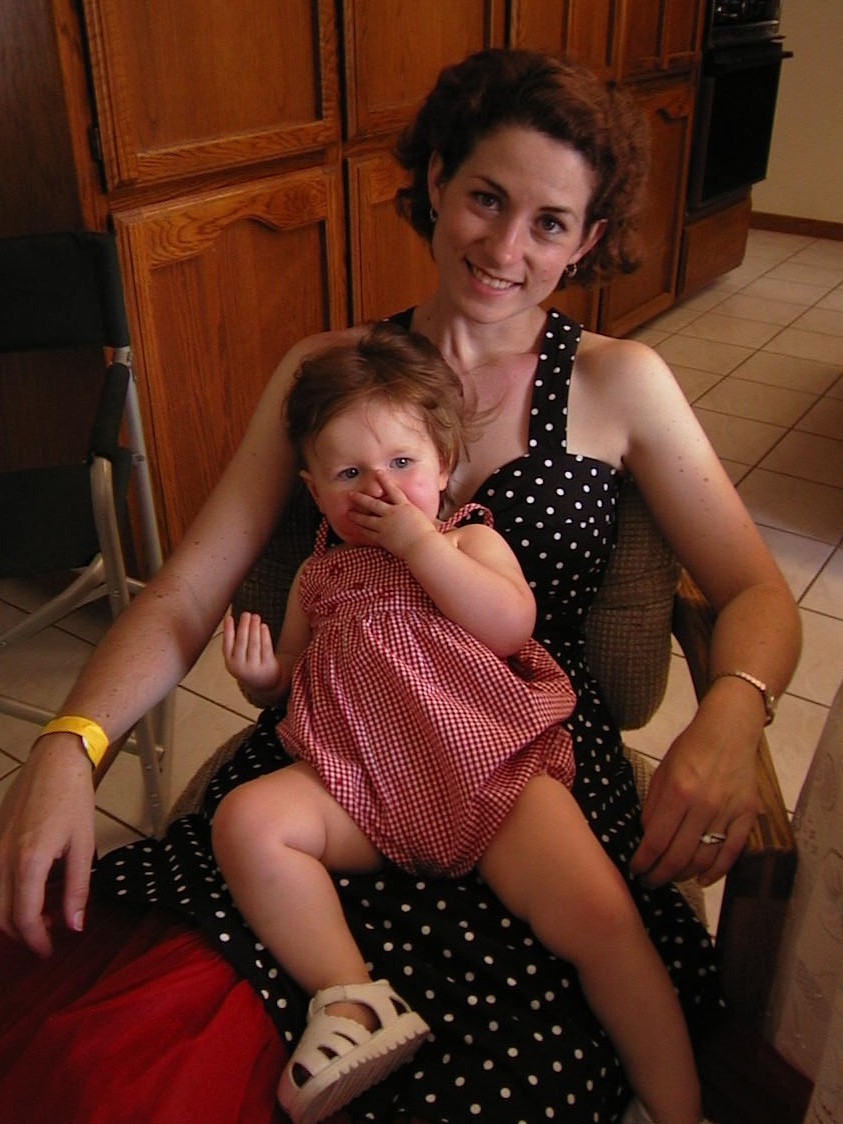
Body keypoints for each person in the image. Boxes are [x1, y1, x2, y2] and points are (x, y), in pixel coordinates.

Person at [0, 47, 800, 1124]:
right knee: (115, 1062)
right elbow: (187, 591)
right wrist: (69, 741)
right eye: (485, 196)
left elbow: (755, 589)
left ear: (590, 240)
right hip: (341, 767)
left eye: (551, 222)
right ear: (433, 181)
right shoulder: (328, 372)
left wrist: (731, 707)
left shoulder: (622, 384)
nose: (506, 246)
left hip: (523, 781)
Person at [214, 323, 708, 1124]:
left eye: (403, 465)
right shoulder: (316, 573)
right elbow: (295, 685)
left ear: (444, 468)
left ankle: (675, 1106)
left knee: (602, 918)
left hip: (491, 773)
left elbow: (511, 626)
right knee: (248, 821)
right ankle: (355, 1003)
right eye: (348, 473)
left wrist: (420, 548)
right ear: (313, 491)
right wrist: (265, 678)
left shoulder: (469, 538)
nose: (378, 489)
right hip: (364, 786)